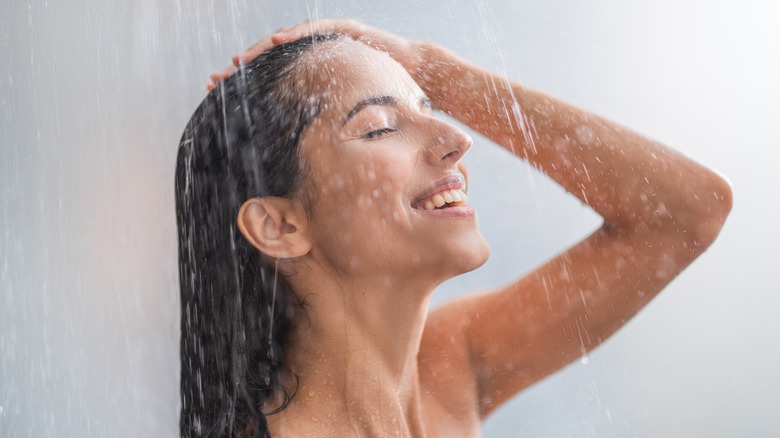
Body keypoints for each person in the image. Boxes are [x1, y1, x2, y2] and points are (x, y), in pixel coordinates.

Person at [176, 19, 732, 438]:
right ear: (278, 225)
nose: (458, 138)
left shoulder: (446, 370)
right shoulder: (454, 370)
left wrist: (434, 68)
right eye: (378, 128)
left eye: (429, 105)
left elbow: (685, 214)